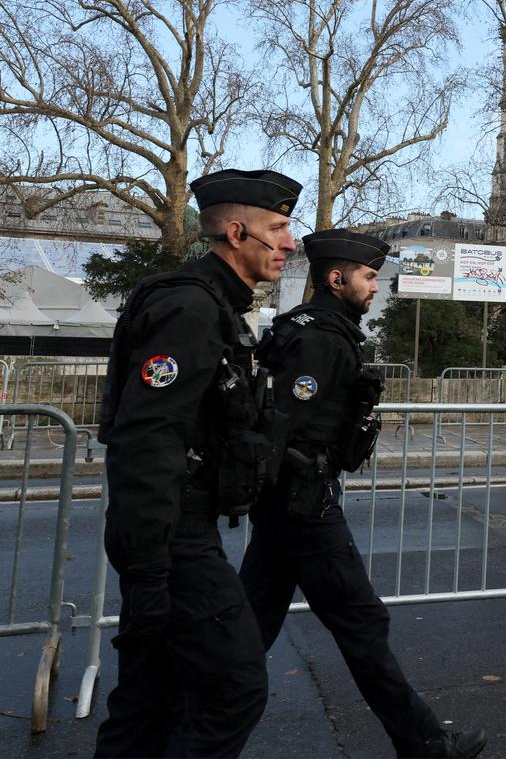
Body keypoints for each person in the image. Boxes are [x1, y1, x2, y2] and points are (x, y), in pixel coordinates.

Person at [238, 230, 488, 759]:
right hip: (304, 505)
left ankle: (186, 728)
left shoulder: (317, 331)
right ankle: (423, 742)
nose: (376, 286)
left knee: (248, 631)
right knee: (361, 622)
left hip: (289, 507)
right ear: (336, 278)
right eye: (369, 276)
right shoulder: (320, 339)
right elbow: (286, 428)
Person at [95, 168, 300, 758]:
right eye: (279, 228)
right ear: (237, 233)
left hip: (178, 530)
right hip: (172, 537)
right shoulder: (191, 307)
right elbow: (147, 441)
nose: (290, 243)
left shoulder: (216, 306)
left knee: (147, 703)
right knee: (234, 688)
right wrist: (154, 568)